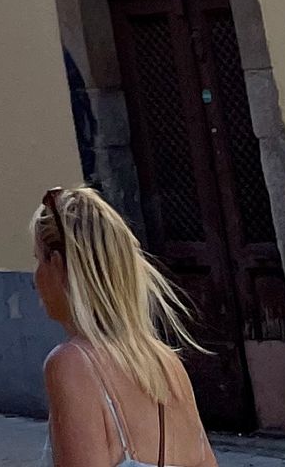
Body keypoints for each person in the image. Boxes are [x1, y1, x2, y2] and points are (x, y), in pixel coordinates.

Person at [31, 186, 217, 467]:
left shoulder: (73, 364)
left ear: (57, 265)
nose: (35, 278)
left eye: (37, 260)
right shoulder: (167, 364)